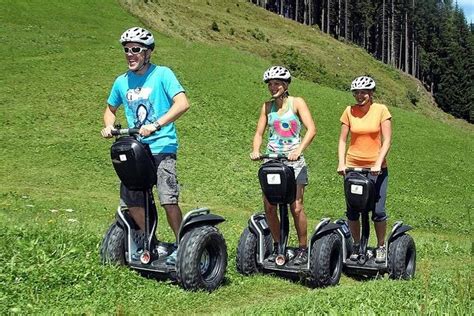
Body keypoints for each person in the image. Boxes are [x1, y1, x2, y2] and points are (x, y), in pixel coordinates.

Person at [101, 27, 190, 264]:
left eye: (136, 50)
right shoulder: (121, 82)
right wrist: (109, 126)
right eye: (127, 50)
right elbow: (110, 109)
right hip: (136, 149)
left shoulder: (163, 74)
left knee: (167, 198)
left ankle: (183, 246)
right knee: (131, 199)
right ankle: (153, 242)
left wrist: (157, 124)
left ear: (147, 52)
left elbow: (182, 103)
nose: (130, 54)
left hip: (162, 146)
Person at [250, 66, 317, 265]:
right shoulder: (267, 107)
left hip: (294, 163)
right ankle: (280, 246)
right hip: (272, 161)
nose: (273, 87)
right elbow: (259, 133)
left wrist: (299, 150)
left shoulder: (297, 103)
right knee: (270, 206)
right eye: (270, 84)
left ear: (286, 85)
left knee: (296, 207)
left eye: (277, 83)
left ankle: (303, 249)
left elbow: (311, 129)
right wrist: (256, 150)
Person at [337, 76, 392, 263]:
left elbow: (387, 141)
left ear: (371, 93)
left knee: (378, 211)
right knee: (353, 209)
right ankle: (356, 244)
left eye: (363, 92)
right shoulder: (349, 111)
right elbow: (343, 140)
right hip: (353, 167)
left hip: (376, 169)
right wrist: (341, 163)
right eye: (356, 93)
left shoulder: (381, 110)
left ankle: (381, 246)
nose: (359, 96)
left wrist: (378, 162)